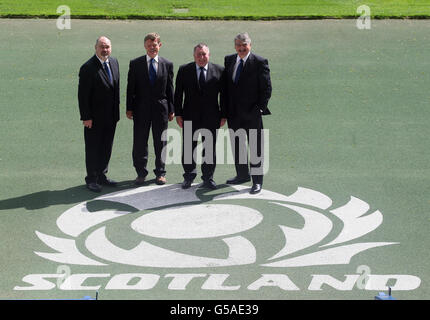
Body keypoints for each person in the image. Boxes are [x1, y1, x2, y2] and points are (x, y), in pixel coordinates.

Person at [224, 32, 272, 194]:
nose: (242, 48)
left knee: (255, 148)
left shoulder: (259, 62)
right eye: (239, 45)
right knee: (237, 145)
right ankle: (242, 175)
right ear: (235, 46)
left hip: (252, 113)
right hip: (234, 113)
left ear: (250, 45)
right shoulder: (229, 60)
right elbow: (226, 88)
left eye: (244, 45)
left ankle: (257, 181)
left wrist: (260, 108)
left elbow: (266, 88)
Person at [174, 43, 227, 190]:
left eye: (204, 54)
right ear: (194, 56)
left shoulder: (219, 70)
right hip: (189, 116)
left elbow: (224, 95)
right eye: (199, 55)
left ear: (209, 55)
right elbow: (178, 94)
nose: (202, 57)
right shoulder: (184, 70)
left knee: (209, 148)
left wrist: (224, 115)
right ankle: (189, 176)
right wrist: (178, 114)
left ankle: (208, 178)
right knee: (188, 148)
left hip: (212, 116)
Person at [126, 33, 175, 185]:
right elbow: (130, 88)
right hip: (141, 109)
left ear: (159, 45)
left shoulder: (167, 64)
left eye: (155, 45)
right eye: (149, 45)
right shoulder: (136, 64)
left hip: (161, 109)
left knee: (161, 142)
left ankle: (160, 172)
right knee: (140, 142)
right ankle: (141, 173)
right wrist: (129, 108)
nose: (152, 48)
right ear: (145, 46)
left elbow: (170, 88)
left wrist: (172, 109)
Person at [78, 36, 120, 192]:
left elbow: (116, 89)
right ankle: (92, 178)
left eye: (107, 47)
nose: (105, 50)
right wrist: (86, 117)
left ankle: (102, 174)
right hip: (94, 119)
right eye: (102, 47)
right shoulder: (88, 68)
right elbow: (83, 96)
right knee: (93, 148)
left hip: (111, 117)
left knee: (106, 147)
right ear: (95, 48)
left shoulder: (114, 62)